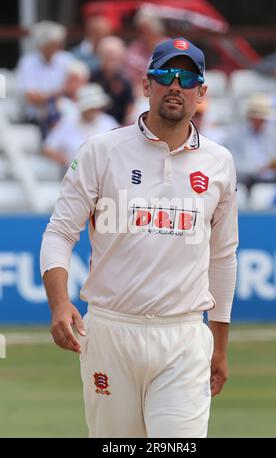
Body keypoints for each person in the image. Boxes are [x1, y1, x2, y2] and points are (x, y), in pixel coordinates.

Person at [40, 37, 238, 438]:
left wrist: (219, 344)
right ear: (147, 84)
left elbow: (223, 257)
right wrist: (59, 303)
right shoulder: (101, 151)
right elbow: (60, 232)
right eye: (166, 74)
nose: (175, 85)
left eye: (186, 77)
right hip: (111, 332)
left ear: (201, 92)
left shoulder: (219, 163)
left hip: (183, 336)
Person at [16, 21, 75, 136]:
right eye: (55, 43)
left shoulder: (67, 59)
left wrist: (45, 96)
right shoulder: (28, 62)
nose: (59, 46)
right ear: (43, 45)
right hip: (36, 117)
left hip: (64, 112)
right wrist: (56, 94)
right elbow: (31, 97)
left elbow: (73, 89)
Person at [43, 84, 118, 169]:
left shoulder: (109, 123)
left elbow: (118, 151)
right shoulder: (68, 122)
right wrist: (63, 159)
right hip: (72, 173)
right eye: (91, 108)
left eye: (96, 107)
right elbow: (48, 148)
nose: (94, 111)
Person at [91, 36, 134, 125]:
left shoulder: (125, 80)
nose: (111, 62)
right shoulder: (93, 77)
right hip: (96, 125)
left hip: (119, 126)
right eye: (107, 57)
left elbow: (129, 108)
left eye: (114, 58)